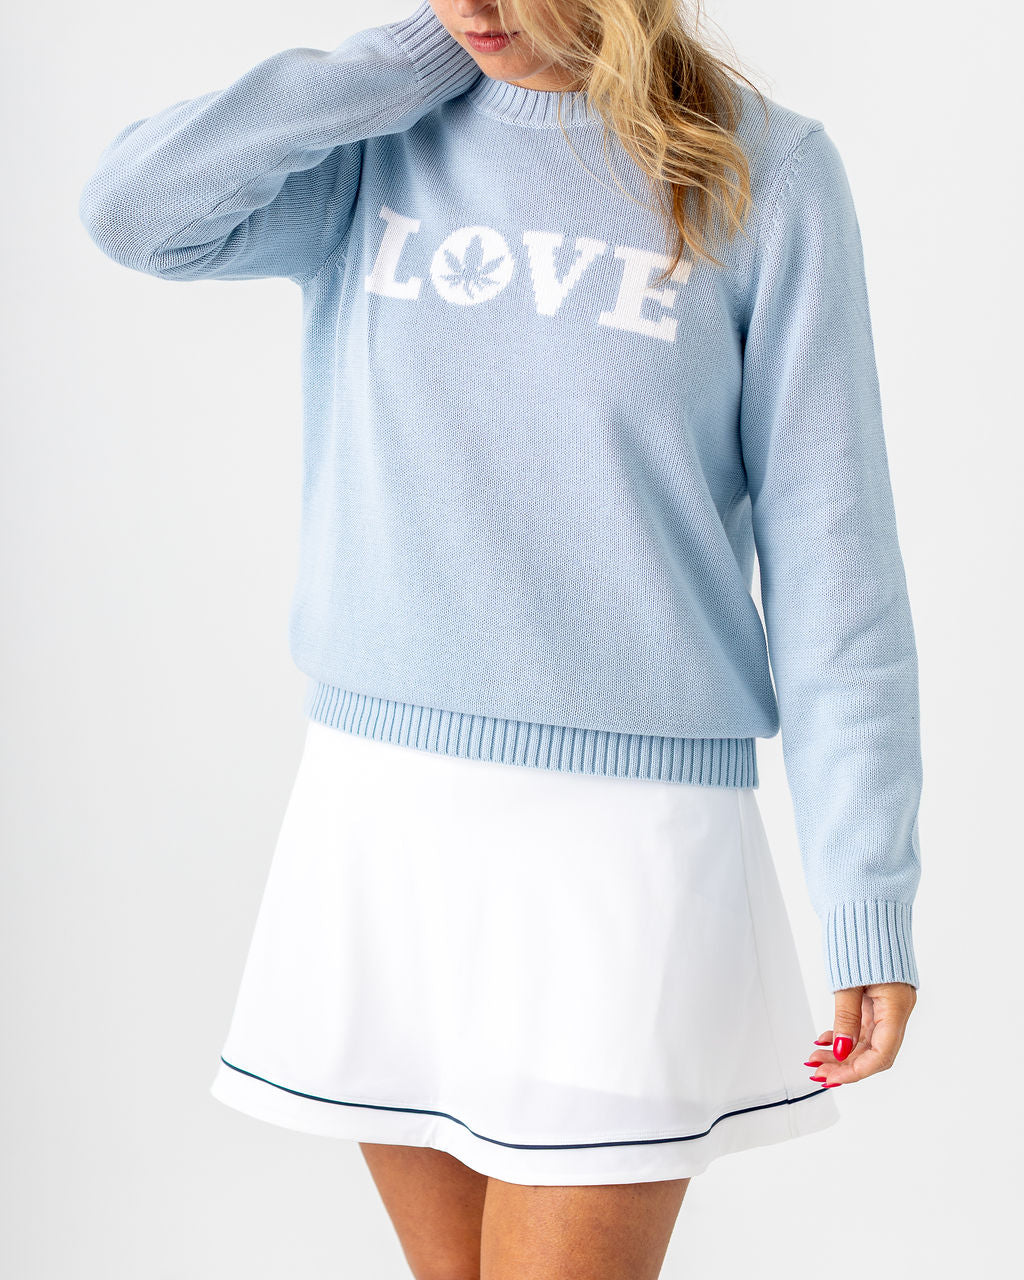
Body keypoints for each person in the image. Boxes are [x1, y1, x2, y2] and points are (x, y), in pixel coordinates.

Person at [78, 1, 923, 1274]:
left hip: (626, 844)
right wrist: (399, 60)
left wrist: (865, 890)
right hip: (381, 813)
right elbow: (132, 213)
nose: (471, 6)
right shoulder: (378, 135)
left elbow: (835, 569)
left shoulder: (765, 170)